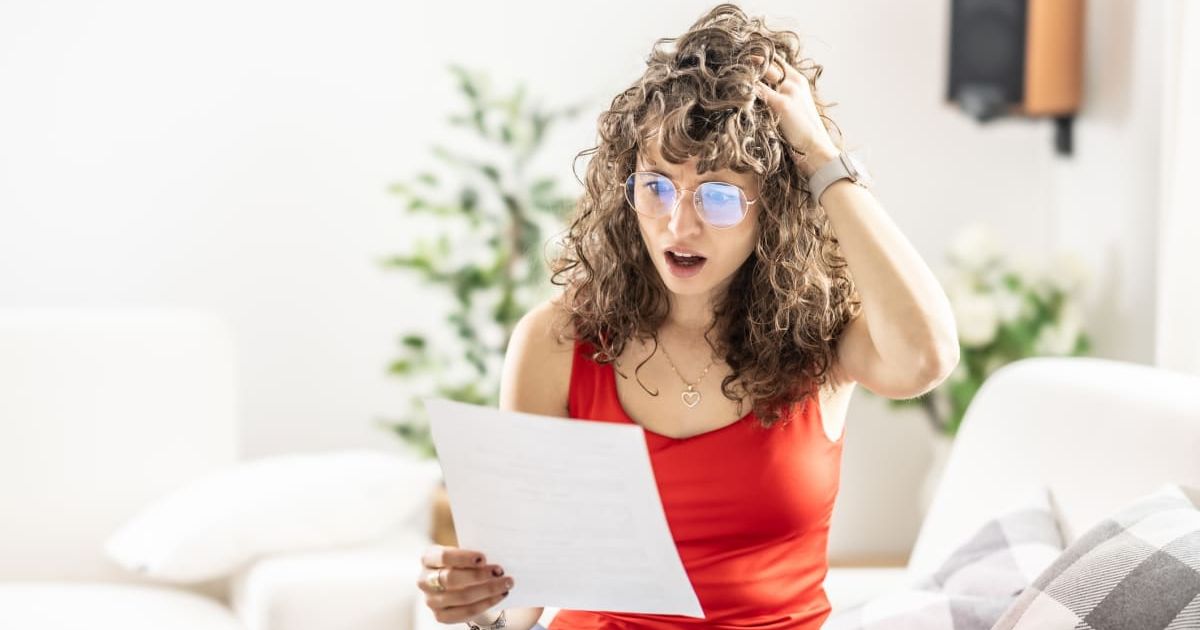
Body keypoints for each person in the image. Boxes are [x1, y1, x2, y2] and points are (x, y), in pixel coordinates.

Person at [417, 3, 958, 629]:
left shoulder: (823, 338)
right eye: (657, 186)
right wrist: (480, 605)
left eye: (720, 195)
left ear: (774, 207)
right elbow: (522, 604)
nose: (680, 224)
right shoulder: (556, 341)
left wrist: (818, 155)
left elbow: (928, 356)